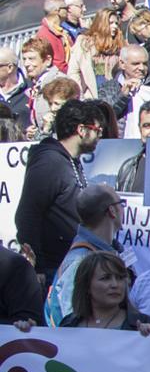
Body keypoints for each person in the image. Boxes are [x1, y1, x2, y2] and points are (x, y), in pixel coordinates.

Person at [16, 100, 104, 284]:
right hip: (51, 269)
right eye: (98, 130)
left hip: (66, 265)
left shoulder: (70, 161)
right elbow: (27, 215)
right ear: (82, 130)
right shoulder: (50, 162)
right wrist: (38, 266)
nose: (99, 137)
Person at [41, 184, 121, 327]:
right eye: (122, 204)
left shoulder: (111, 251)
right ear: (112, 211)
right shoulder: (79, 262)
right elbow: (72, 324)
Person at [47, 251, 150, 334]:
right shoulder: (68, 325)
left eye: (120, 278)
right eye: (106, 278)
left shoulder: (143, 324)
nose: (115, 284)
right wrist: (30, 331)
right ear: (86, 285)